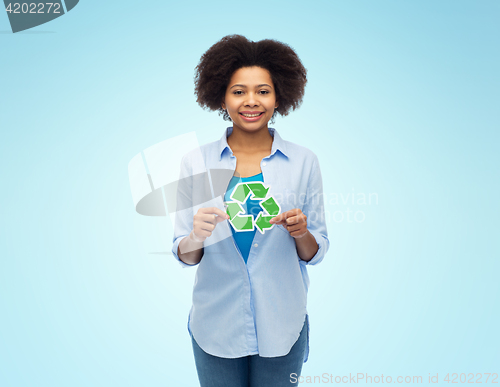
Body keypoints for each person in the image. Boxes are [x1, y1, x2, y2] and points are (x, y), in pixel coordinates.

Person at [171, 34, 329, 387]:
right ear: (221, 97)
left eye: (263, 91)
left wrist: (302, 232)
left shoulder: (304, 161)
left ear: (279, 97)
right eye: (238, 91)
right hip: (215, 323)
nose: (251, 102)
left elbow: (316, 252)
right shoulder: (195, 162)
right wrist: (196, 235)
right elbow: (184, 253)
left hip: (283, 320)